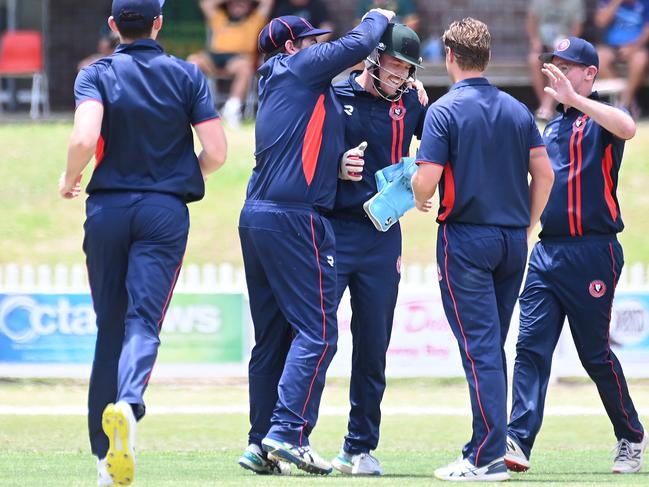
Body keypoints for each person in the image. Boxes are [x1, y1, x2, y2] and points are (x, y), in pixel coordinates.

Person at [59, 0, 227, 485]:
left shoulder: (96, 74)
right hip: (163, 212)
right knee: (143, 322)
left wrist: (71, 178)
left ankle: (101, 461)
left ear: (113, 26)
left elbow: (84, 139)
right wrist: (177, 177)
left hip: (108, 209)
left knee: (108, 329)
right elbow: (216, 152)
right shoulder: (187, 75)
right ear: (158, 23)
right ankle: (129, 403)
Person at [237, 9, 394, 476]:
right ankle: (287, 433)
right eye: (309, 42)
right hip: (293, 219)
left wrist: (336, 166)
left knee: (273, 339)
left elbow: (300, 149)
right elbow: (356, 45)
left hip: (258, 215)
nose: (317, 48)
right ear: (291, 47)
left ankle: (259, 443)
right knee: (319, 332)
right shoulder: (296, 67)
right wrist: (376, 16)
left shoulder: (289, 84)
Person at [411, 17, 555, 482]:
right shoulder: (518, 110)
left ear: (449, 56)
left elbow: (427, 179)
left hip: (467, 239)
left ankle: (487, 456)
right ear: (487, 58)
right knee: (491, 347)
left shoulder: (444, 110)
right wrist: (527, 223)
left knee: (480, 351)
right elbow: (545, 174)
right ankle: (483, 445)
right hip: (512, 240)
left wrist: (415, 193)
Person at [505, 36, 647, 475]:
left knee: (594, 354)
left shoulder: (601, 117)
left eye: (569, 66)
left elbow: (628, 127)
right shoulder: (553, 128)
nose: (559, 72)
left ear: (590, 73)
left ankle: (630, 437)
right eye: (555, 65)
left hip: (594, 251)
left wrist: (575, 100)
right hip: (549, 251)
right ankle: (518, 440)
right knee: (530, 347)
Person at [327, 23, 427, 476]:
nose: (401, 74)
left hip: (382, 236)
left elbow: (437, 147)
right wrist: (336, 167)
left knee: (373, 347)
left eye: (408, 68)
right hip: (332, 228)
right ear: (373, 59)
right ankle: (291, 437)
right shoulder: (334, 94)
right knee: (315, 339)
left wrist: (424, 184)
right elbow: (304, 150)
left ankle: (359, 446)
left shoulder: (411, 102)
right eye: (395, 64)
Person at [188, 0, 273, 127]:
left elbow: (268, 2)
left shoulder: (255, 20)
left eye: (241, 3)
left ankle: (232, 110)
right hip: (214, 58)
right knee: (193, 61)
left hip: (237, 59)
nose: (237, 5)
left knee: (245, 68)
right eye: (234, 3)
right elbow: (205, 4)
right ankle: (194, 107)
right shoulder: (220, 17)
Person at [527, 0, 586, 120]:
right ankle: (546, 104)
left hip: (564, 46)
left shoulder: (575, 3)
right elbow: (531, 21)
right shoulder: (538, 2)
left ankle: (546, 107)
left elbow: (577, 28)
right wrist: (535, 40)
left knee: (557, 62)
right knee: (533, 59)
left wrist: (567, 44)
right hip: (542, 46)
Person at [595, 0, 649, 113]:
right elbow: (600, 21)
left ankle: (625, 103)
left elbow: (647, 29)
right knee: (599, 57)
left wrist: (634, 47)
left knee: (640, 59)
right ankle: (623, 99)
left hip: (636, 47)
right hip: (611, 46)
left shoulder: (645, 2)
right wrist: (616, 2)